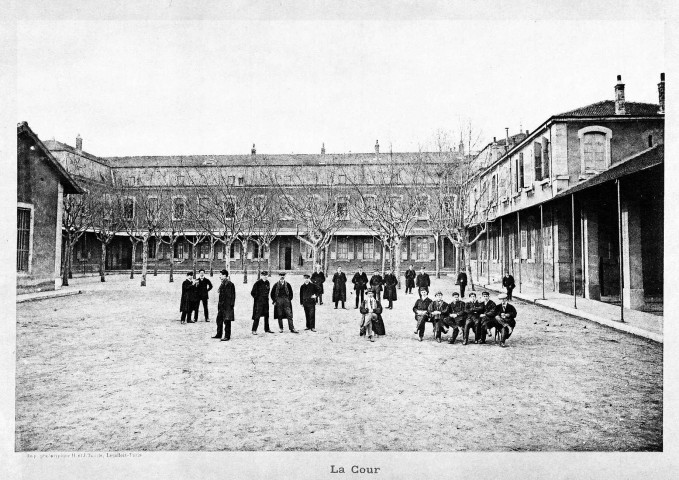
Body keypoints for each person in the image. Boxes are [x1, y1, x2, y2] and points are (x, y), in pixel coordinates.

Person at [212, 269, 235, 341]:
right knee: (219, 320)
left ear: (225, 275)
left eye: (221, 275)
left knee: (227, 321)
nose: (220, 276)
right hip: (221, 305)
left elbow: (231, 296)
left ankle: (227, 336)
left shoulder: (229, 284)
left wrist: (230, 305)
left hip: (227, 306)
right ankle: (219, 334)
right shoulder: (223, 283)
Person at [251, 270, 274, 334]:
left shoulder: (267, 282)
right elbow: (252, 293)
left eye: (266, 275)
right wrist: (258, 298)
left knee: (266, 315)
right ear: (261, 276)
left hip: (266, 301)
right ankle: (254, 330)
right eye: (264, 275)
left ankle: (267, 329)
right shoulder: (257, 283)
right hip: (259, 302)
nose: (265, 277)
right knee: (257, 315)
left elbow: (268, 291)